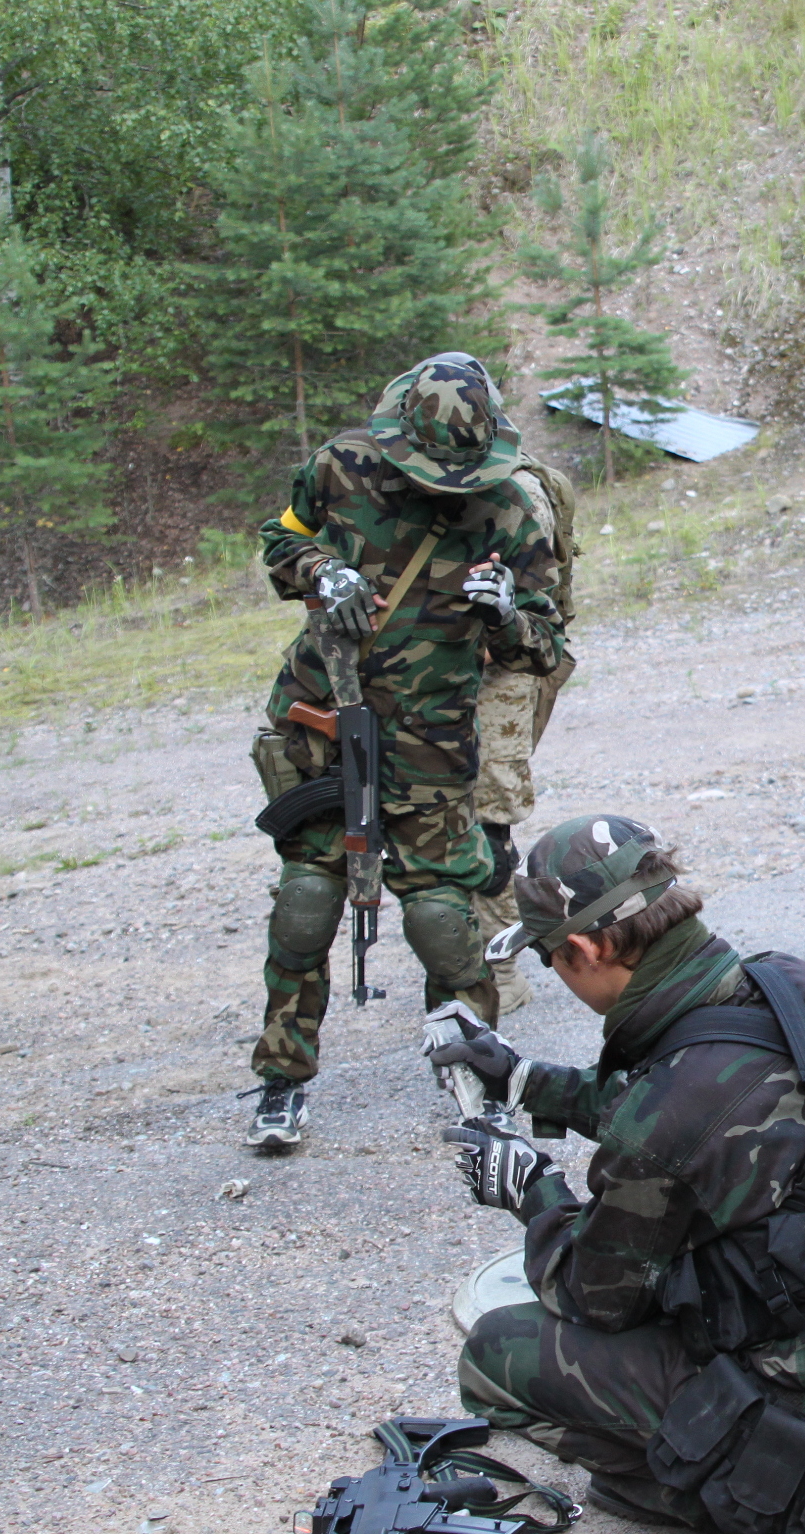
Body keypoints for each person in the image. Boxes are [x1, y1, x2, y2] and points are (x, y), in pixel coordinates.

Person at [430, 816, 805, 1534]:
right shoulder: (784, 983)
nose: (556, 973)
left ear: (586, 949)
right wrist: (524, 1082)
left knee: (497, 1354)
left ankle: (775, 1505)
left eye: (551, 958)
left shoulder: (669, 1114)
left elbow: (593, 1294)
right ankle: (780, 1464)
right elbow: (701, 1108)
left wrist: (529, 1190)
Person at [241, 352, 563, 1149]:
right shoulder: (340, 467)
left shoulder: (511, 508)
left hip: (433, 740)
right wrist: (323, 572)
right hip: (328, 717)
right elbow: (279, 543)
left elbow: (547, 644)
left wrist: (506, 614)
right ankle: (281, 1081)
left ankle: (479, 1080)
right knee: (305, 904)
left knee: (442, 920)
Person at [471, 446, 582, 1016]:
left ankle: (501, 968)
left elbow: (538, 612)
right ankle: (463, 948)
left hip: (503, 675)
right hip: (436, 674)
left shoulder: (518, 492)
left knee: (488, 817)